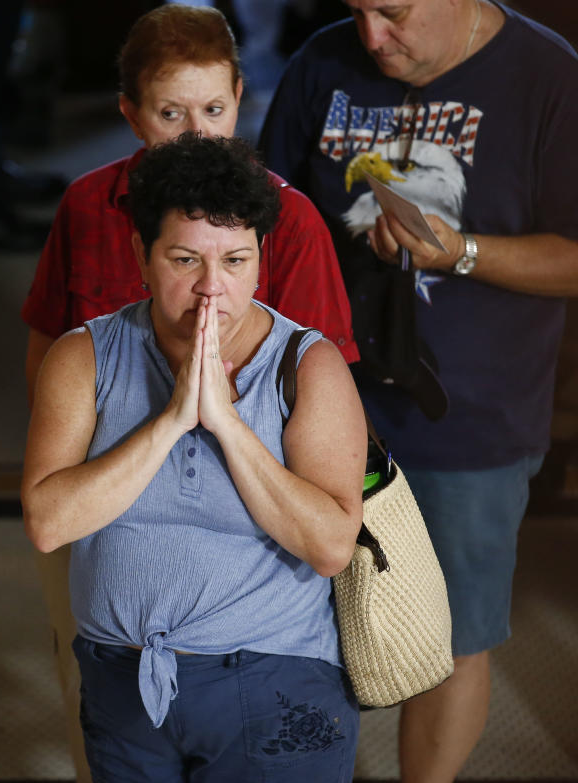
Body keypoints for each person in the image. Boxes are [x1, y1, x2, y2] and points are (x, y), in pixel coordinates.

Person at [20, 6, 358, 777]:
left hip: (272, 675)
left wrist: (228, 425)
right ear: (140, 254)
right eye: (184, 259)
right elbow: (45, 520)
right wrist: (172, 419)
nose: (213, 289)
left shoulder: (307, 362)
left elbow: (332, 544)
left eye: (237, 261)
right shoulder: (87, 350)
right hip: (124, 673)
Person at [259, 1, 578, 779]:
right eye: (357, 9)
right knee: (292, 624)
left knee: (448, 638)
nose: (371, 36)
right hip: (318, 401)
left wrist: (462, 252)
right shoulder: (323, 63)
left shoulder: (548, 76)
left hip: (473, 415)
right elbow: (261, 217)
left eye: (393, 11)